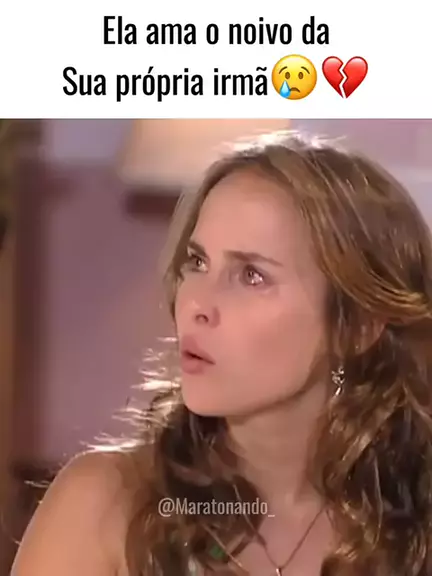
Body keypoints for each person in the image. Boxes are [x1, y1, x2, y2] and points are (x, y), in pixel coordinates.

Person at [11, 131, 432, 576]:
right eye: (197, 262)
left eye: (251, 275)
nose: (196, 304)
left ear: (358, 328)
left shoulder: (413, 525)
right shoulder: (104, 506)